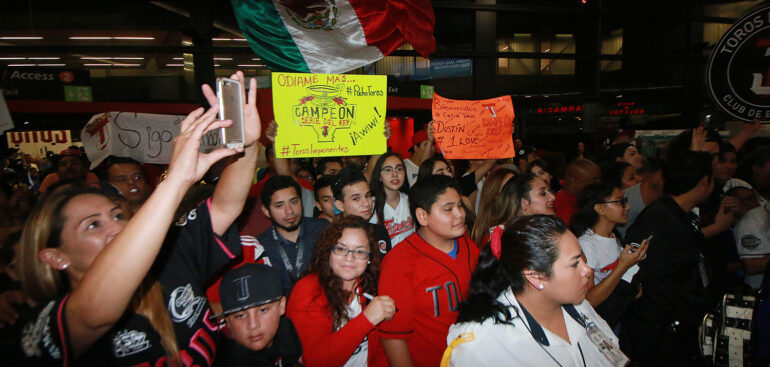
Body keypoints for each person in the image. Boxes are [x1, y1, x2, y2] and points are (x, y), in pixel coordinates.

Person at [16, 71, 260, 365]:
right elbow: (96, 313)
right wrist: (177, 180)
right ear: (56, 256)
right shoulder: (48, 322)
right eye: (93, 224)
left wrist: (247, 146)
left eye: (118, 215)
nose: (117, 226)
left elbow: (224, 207)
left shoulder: (169, 259)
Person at [443, 215, 626, 366]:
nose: (588, 270)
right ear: (535, 276)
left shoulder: (578, 307)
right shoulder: (481, 346)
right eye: (575, 263)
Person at [621, 151, 718, 364]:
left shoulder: (681, 216)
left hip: (676, 331)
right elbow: (634, 276)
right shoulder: (658, 220)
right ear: (705, 181)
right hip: (657, 338)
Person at [379, 175, 480, 367]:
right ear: (422, 216)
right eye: (448, 209)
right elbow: (393, 337)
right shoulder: (399, 262)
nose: (459, 214)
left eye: (459, 205)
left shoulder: (467, 245)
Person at [287, 216, 395, 367]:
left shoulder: (368, 283)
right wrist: (367, 319)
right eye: (341, 248)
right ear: (328, 251)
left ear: (369, 258)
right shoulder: (308, 290)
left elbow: (379, 349)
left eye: (359, 251)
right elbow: (315, 361)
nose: (349, 258)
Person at [570, 183, 648, 326]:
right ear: (600, 208)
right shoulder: (587, 244)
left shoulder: (613, 237)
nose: (627, 207)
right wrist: (623, 266)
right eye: (620, 202)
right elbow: (588, 300)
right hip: (601, 321)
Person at [212, 264, 302, 367]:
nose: (253, 325)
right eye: (240, 315)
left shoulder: (288, 332)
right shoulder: (226, 361)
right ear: (227, 321)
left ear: (281, 306)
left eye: (263, 310)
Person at [257, 175, 328, 293]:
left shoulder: (323, 229)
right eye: (279, 206)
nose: (289, 211)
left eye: (294, 202)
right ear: (266, 211)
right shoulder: (261, 246)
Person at [471, 173, 555, 245]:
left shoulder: (551, 230)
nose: (553, 197)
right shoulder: (499, 239)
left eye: (550, 191)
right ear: (524, 203)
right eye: (543, 193)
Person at [332, 167, 392, 254]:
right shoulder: (331, 238)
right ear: (340, 205)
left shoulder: (380, 232)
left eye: (367, 196)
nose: (366, 203)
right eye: (356, 199)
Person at [369, 152, 414, 247]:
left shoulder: (411, 201)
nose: (395, 174)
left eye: (399, 169)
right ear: (379, 176)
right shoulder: (370, 204)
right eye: (388, 170)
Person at [554, 158, 601, 226]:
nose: (598, 183)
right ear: (574, 180)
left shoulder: (581, 198)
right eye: (594, 180)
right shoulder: (564, 209)